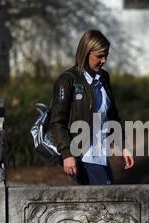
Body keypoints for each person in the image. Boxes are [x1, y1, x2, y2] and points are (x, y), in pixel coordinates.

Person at [48, 30, 134, 185]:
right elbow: (57, 122)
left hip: (101, 153)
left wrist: (124, 147)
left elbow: (113, 116)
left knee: (104, 201)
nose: (104, 60)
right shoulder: (67, 81)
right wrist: (67, 154)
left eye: (106, 55)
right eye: (99, 56)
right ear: (85, 53)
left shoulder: (104, 78)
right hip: (82, 154)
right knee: (107, 199)